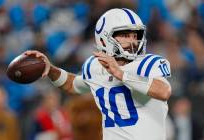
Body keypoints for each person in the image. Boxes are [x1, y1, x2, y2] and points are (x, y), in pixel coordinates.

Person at [25, 8, 172, 140]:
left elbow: (164, 91)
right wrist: (51, 69)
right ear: (103, 38)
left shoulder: (148, 64)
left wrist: (121, 74)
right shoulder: (95, 66)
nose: (133, 41)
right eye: (125, 35)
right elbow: (72, 84)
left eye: (135, 35)